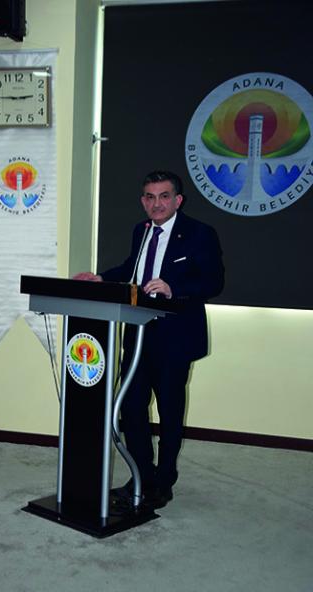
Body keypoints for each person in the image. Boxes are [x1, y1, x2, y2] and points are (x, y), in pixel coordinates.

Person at [74, 170, 224, 509]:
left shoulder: (200, 233)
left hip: (175, 338)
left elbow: (213, 281)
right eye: (150, 197)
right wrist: (100, 278)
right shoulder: (140, 231)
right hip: (138, 334)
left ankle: (164, 480)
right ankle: (141, 475)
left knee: (170, 412)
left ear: (177, 200)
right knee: (131, 408)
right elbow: (133, 269)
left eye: (164, 196)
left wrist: (174, 288)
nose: (156, 204)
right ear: (143, 201)